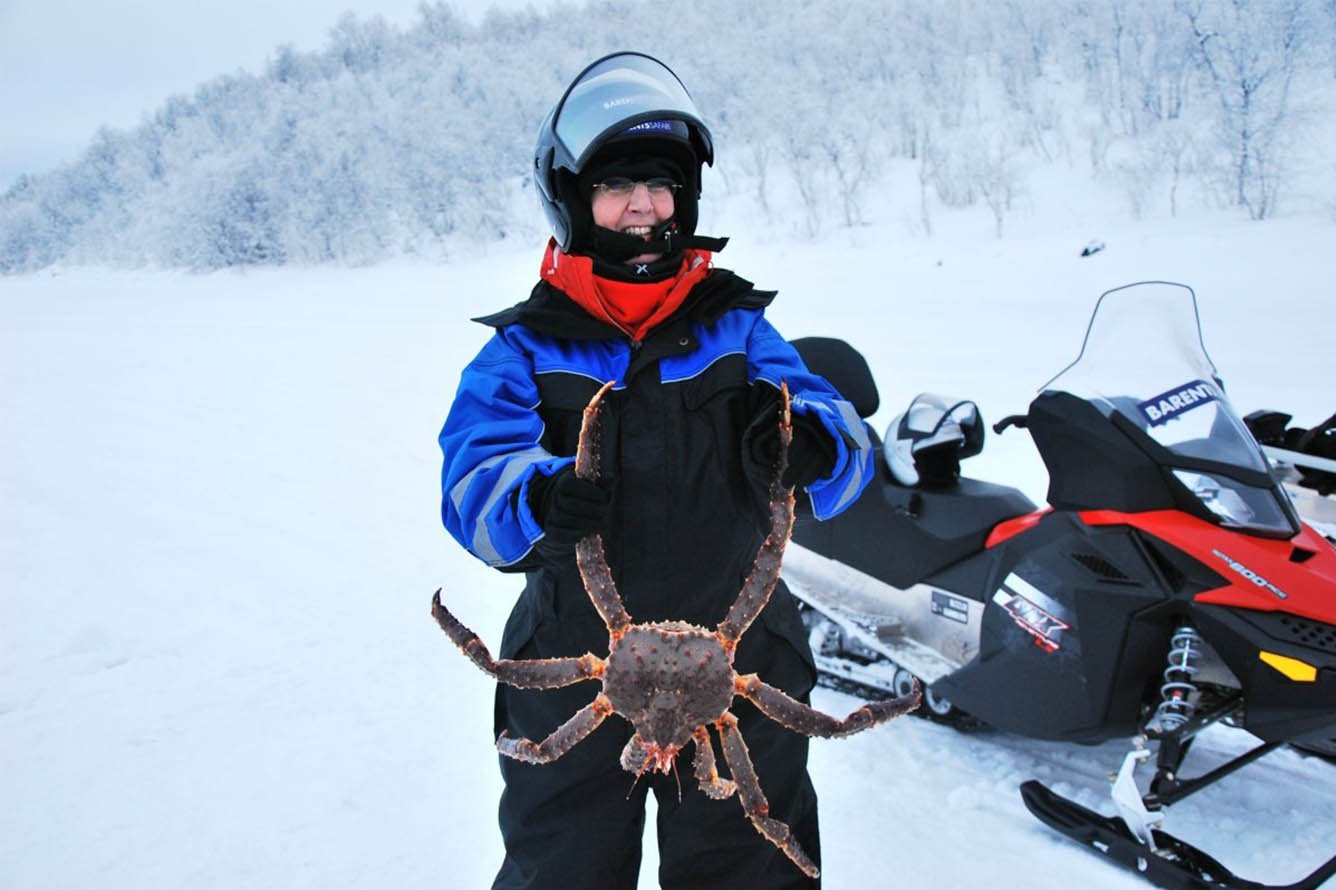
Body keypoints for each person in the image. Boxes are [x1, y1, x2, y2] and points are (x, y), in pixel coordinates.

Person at [438, 51, 874, 890]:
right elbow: (472, 483)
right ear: (572, 201)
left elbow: (844, 440)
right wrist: (535, 497)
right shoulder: (524, 348)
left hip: (743, 660)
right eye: (616, 185)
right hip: (577, 657)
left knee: (752, 865)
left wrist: (814, 444)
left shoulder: (739, 331)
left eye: (661, 184)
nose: (644, 205)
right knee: (560, 868)